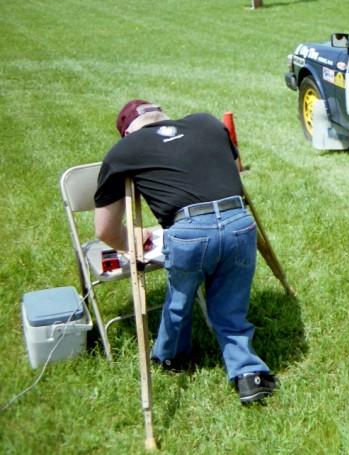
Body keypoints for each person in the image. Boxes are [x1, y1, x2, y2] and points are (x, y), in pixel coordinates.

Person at [94, 99, 276, 405]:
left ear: (127, 133)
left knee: (179, 301)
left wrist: (131, 243)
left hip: (189, 232)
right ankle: (249, 375)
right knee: (230, 307)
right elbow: (235, 174)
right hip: (239, 223)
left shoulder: (124, 151)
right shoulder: (207, 123)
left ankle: (171, 357)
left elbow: (104, 230)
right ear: (162, 113)